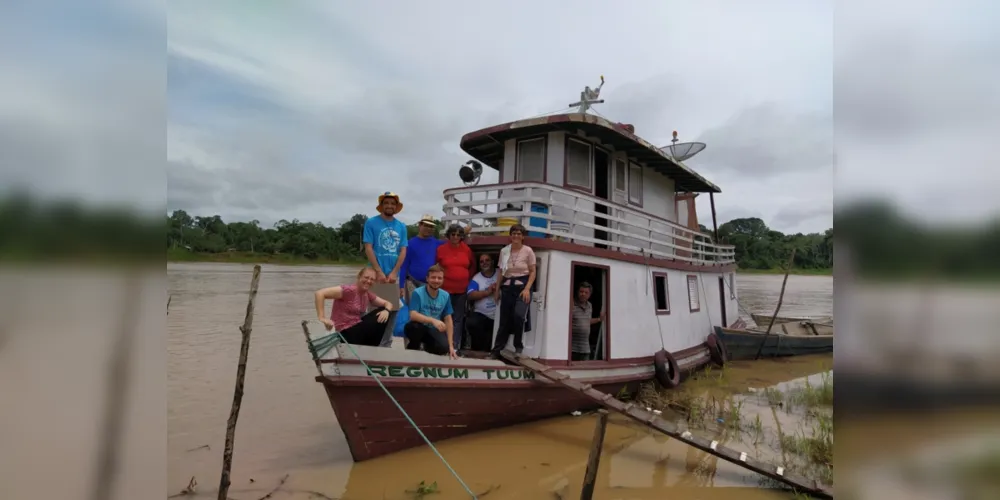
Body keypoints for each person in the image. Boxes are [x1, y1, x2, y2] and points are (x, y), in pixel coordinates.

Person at [362, 191, 408, 347]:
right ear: (381, 206)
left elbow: (402, 250)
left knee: (393, 311)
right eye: (386, 203)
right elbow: (368, 247)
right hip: (374, 275)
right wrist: (378, 271)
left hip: (394, 276)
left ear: (396, 207)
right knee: (373, 310)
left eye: (393, 204)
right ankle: (369, 344)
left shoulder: (401, 226)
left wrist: (394, 272)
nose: (390, 206)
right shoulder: (371, 223)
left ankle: (386, 346)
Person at [314, 267, 395, 346]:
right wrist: (322, 317)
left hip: (356, 329)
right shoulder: (349, 290)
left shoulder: (367, 294)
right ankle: (370, 346)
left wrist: (387, 311)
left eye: (372, 279)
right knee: (381, 314)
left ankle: (371, 346)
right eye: (366, 277)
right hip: (343, 333)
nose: (368, 281)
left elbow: (388, 304)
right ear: (359, 277)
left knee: (384, 311)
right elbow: (320, 293)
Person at [490, 224, 536, 359]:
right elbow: (501, 272)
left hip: (523, 287)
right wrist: (497, 290)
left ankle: (518, 345)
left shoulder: (528, 251)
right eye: (513, 233)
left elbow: (533, 271)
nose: (516, 236)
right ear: (510, 236)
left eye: (518, 234)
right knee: (504, 320)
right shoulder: (504, 251)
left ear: (523, 236)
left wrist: (527, 288)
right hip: (508, 286)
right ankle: (497, 350)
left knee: (519, 315)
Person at [404, 265, 458, 359]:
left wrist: (451, 346)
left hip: (433, 330)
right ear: (427, 279)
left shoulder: (445, 295)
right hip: (419, 326)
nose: (436, 280)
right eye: (433, 277)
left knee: (443, 347)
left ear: (443, 280)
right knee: (414, 328)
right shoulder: (418, 292)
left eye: (439, 278)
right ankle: (413, 349)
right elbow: (413, 315)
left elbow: (448, 320)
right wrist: (433, 320)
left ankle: (428, 349)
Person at [436, 224, 475, 352]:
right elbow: (436, 266)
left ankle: (455, 345)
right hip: (445, 290)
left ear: (462, 236)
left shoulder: (467, 249)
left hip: (461, 290)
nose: (456, 237)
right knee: (443, 316)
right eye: (453, 234)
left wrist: (467, 280)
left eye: (459, 234)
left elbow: (472, 266)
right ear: (449, 235)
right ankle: (441, 344)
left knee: (458, 318)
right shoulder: (441, 249)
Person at [399, 214, 444, 303]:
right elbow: (404, 265)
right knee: (413, 309)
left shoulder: (436, 242)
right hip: (412, 283)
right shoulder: (410, 243)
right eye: (426, 225)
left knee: (427, 310)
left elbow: (451, 241)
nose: (428, 228)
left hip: (430, 283)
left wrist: (464, 232)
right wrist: (401, 285)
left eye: (431, 226)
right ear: (420, 225)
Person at [466, 253, 498, 352]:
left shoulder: (500, 273)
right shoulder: (477, 278)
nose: (484, 263)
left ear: (492, 262)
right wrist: (487, 292)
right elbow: (470, 295)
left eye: (487, 260)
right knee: (472, 323)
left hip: (498, 314)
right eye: (481, 261)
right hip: (481, 314)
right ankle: (477, 352)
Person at [571, 282, 605, 361]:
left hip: (585, 348)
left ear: (589, 295)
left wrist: (599, 319)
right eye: (581, 292)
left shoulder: (589, 306)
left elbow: (587, 321)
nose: (583, 294)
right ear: (577, 292)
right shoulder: (572, 305)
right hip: (572, 348)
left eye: (586, 292)